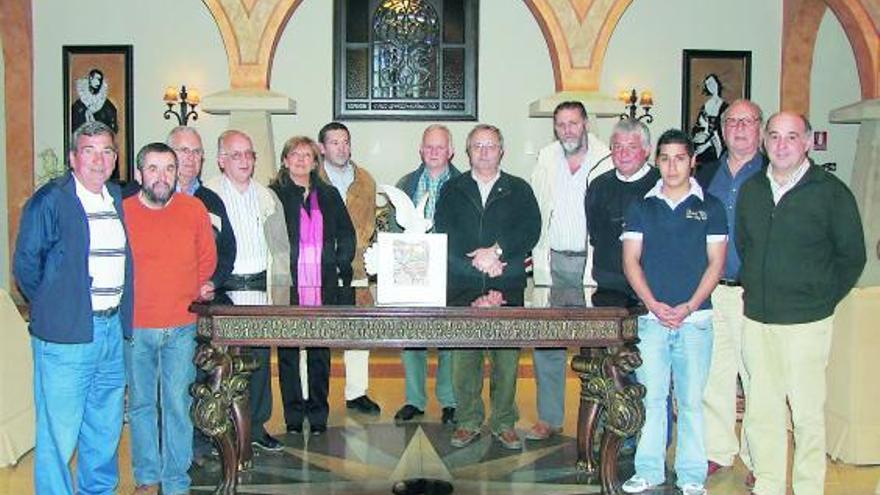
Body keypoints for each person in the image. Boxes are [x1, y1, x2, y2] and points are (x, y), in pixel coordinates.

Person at [736, 112, 866, 495]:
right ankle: (770, 484)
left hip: (807, 324)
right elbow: (746, 245)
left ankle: (809, 487)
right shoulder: (753, 189)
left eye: (791, 137)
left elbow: (852, 257)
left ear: (807, 142)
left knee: (807, 414)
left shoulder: (830, 192)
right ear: (764, 142)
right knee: (762, 411)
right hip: (758, 319)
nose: (781, 144)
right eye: (774, 136)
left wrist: (820, 298)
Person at [13, 121, 133, 495]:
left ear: (115, 158)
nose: (99, 159)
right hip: (67, 339)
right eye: (89, 150)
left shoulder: (116, 198)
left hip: (111, 333)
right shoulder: (51, 199)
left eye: (107, 151)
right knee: (58, 436)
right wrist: (58, 306)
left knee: (104, 429)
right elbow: (26, 268)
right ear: (72, 157)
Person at [620, 129, 727, 495]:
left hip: (696, 321)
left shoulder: (710, 207)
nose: (672, 165)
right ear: (656, 161)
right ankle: (649, 470)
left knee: (692, 402)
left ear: (692, 161)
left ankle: (692, 475)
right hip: (652, 321)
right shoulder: (641, 206)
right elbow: (631, 260)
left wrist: (689, 306)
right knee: (652, 398)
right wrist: (652, 304)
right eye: (664, 158)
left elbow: (716, 264)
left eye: (679, 158)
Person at [434, 124, 541, 451]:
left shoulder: (519, 189)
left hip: (506, 286)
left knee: (506, 362)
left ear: (501, 151)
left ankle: (504, 423)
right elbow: (444, 234)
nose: (483, 152)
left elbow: (530, 230)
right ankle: (467, 421)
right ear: (468, 152)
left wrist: (496, 253)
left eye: (490, 146)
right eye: (477, 146)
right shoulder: (453, 189)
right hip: (463, 288)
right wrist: (475, 265)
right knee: (464, 362)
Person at [123, 142, 217, 495]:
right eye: (153, 168)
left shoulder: (193, 209)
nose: (162, 177)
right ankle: (148, 477)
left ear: (177, 173)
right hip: (136, 327)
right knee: (143, 405)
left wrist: (191, 289)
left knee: (178, 404)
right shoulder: (123, 211)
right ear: (139, 174)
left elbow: (207, 257)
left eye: (169, 169)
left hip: (181, 325)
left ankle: (177, 481)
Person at [528, 100, 611, 441]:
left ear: (586, 123)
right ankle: (549, 417)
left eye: (573, 123)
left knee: (597, 346)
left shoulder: (606, 158)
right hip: (554, 261)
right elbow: (536, 206)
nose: (567, 131)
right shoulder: (546, 158)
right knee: (548, 342)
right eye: (560, 124)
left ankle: (603, 419)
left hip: (593, 263)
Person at [205, 130, 291, 452]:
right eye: (236, 154)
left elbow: (281, 249)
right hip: (223, 288)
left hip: (260, 287)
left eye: (249, 154)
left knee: (257, 362)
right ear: (221, 160)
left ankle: (256, 426)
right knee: (222, 364)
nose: (244, 161)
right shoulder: (208, 195)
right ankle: (221, 430)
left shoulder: (268, 196)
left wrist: (281, 291)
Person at [694, 99, 766, 487]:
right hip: (712, 290)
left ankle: (759, 457)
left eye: (748, 121)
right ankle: (717, 450)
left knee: (758, 377)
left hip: (755, 294)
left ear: (759, 129)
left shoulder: (772, 173)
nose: (739, 128)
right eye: (732, 121)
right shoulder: (705, 175)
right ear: (722, 129)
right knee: (714, 375)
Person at [269, 136, 356, 436]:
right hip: (287, 286)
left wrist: (340, 263)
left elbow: (347, 234)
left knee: (320, 352)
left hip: (324, 284)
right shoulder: (273, 195)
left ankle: (318, 414)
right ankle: (293, 416)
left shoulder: (329, 195)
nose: (301, 160)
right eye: (295, 154)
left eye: (308, 155)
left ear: (316, 162)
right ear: (284, 160)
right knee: (289, 354)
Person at [393, 124, 461, 425]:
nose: (434, 152)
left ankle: (449, 400)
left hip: (452, 272)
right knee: (413, 337)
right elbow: (395, 229)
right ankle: (414, 400)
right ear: (421, 150)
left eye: (440, 147)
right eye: (428, 147)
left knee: (449, 340)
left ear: (451, 151)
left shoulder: (464, 184)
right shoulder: (405, 183)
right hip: (413, 273)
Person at [316, 122, 381, 415]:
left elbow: (369, 223)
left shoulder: (365, 180)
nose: (341, 148)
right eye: (334, 142)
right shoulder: (311, 179)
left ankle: (357, 392)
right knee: (315, 331)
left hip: (356, 266)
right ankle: (313, 392)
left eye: (345, 142)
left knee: (358, 329)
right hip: (317, 267)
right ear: (322, 148)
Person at [586, 118, 658, 308]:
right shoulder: (599, 186)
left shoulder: (661, 185)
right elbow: (594, 234)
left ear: (647, 150)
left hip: (652, 285)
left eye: (632, 147)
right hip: (609, 286)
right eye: (617, 146)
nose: (623, 153)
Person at [691, 74, 729, 164]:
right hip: (707, 142)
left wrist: (709, 142)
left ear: (717, 83)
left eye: (712, 83)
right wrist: (701, 135)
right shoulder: (706, 105)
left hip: (719, 141)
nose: (710, 86)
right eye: (708, 84)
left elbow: (723, 129)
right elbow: (700, 124)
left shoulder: (725, 107)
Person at [71, 69, 119, 133]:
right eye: (96, 79)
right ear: (90, 79)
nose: (98, 83)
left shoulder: (108, 106)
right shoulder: (78, 106)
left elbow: (113, 128)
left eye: (100, 80)